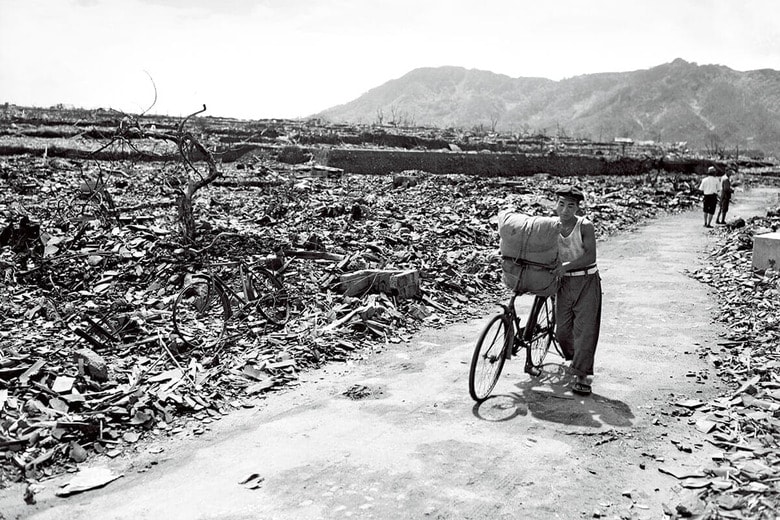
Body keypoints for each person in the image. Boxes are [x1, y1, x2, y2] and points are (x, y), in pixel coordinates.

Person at [550, 186, 602, 396]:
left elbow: (590, 256)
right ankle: (576, 361)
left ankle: (582, 376)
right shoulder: (551, 226)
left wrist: (566, 266)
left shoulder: (585, 226)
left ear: (578, 208)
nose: (565, 210)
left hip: (586, 281)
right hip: (563, 283)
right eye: (561, 204)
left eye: (570, 206)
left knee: (585, 330)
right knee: (562, 332)